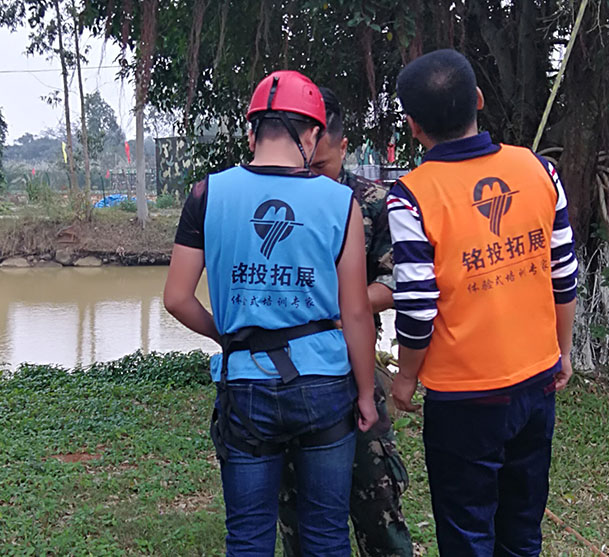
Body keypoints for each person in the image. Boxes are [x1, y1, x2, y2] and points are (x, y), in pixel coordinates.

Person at [164, 70, 378, 556]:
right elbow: (356, 313)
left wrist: (228, 338)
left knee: (247, 537)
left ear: (251, 132)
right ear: (313, 135)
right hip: (326, 385)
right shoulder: (340, 201)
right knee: (326, 534)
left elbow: (176, 298)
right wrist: (366, 395)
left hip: (246, 387)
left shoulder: (207, 194)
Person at [387, 49, 578, 556]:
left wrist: (405, 378)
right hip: (535, 382)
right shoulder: (538, 169)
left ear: (413, 125)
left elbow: (418, 306)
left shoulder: (411, 195)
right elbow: (563, 275)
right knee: (522, 527)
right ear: (477, 99)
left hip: (464, 398)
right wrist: (563, 351)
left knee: (468, 533)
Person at [277, 87, 413, 557]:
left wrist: (341, 308)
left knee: (378, 504)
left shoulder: (373, 202)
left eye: (321, 167)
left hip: (353, 366)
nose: (311, 177)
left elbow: (396, 282)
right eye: (305, 166)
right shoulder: (277, 202)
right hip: (289, 376)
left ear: (343, 147)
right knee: (298, 511)